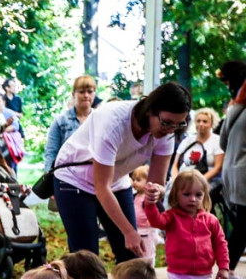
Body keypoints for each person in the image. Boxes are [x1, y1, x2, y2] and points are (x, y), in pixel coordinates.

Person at [53, 82, 191, 262]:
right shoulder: (113, 121)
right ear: (150, 109)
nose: (170, 130)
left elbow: (157, 183)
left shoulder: (167, 133)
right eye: (166, 122)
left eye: (179, 125)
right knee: (87, 258)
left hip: (116, 181)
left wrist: (156, 191)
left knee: (131, 257)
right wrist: (128, 231)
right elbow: (102, 187)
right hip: (74, 178)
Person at [217, 59, 246, 279]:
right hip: (244, 172)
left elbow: (223, 142)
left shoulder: (234, 107)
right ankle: (228, 269)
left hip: (232, 170)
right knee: (243, 224)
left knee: (242, 222)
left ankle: (227, 266)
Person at [43, 75, 97, 174]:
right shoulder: (60, 121)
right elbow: (51, 152)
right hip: (67, 175)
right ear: (73, 94)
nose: (86, 95)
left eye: (90, 92)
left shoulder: (100, 120)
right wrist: (48, 175)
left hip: (94, 176)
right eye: (81, 92)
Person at [174, 108, 224, 184]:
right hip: (182, 180)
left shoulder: (217, 141)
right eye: (198, 121)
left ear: (211, 124)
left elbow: (218, 167)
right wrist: (176, 181)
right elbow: (175, 165)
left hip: (206, 182)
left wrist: (198, 182)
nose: (201, 124)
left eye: (205, 121)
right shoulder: (187, 140)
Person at [131, 165, 160, 265]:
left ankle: (149, 271)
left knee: (148, 254)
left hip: (148, 231)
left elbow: (161, 210)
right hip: (138, 230)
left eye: (138, 180)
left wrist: (153, 219)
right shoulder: (134, 196)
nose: (134, 182)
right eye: (133, 179)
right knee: (139, 255)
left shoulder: (150, 198)